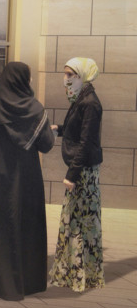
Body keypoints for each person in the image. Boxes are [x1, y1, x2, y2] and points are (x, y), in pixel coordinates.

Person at [0, 61, 54, 301]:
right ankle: (27, 283)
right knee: (25, 227)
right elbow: (46, 145)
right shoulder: (36, 109)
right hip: (27, 180)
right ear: (24, 80)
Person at [49, 57, 104, 292]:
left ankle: (80, 275)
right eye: (65, 74)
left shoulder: (90, 102)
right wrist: (58, 130)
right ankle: (74, 272)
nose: (66, 79)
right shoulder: (81, 98)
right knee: (76, 222)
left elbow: (86, 142)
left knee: (80, 224)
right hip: (81, 168)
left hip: (82, 171)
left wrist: (71, 174)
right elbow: (77, 130)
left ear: (83, 75)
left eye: (70, 74)